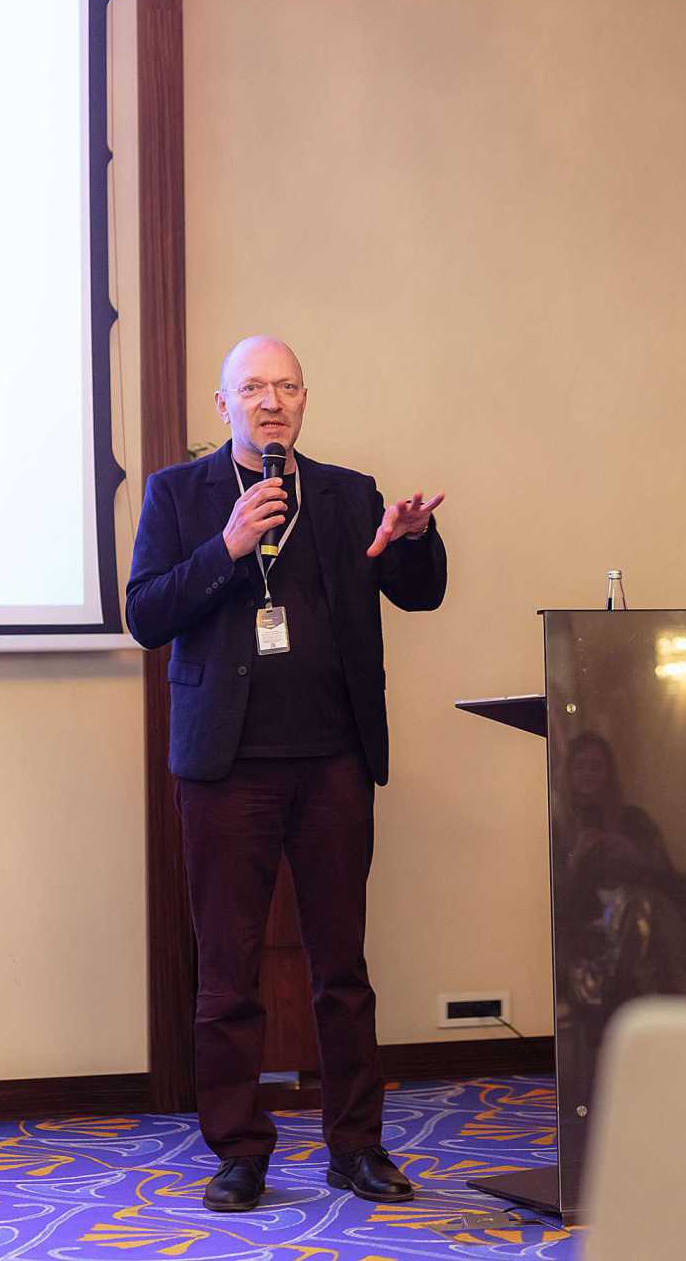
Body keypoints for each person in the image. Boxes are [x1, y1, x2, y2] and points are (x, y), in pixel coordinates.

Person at [126, 336, 446, 1212]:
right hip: (226, 766)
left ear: (304, 401)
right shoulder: (177, 494)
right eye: (253, 388)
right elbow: (146, 615)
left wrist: (414, 539)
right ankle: (238, 1152)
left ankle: (356, 1146)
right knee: (227, 972)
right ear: (223, 404)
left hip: (333, 758)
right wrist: (227, 547)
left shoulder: (347, 493)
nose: (271, 402)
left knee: (341, 967)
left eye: (287, 387)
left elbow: (416, 592)